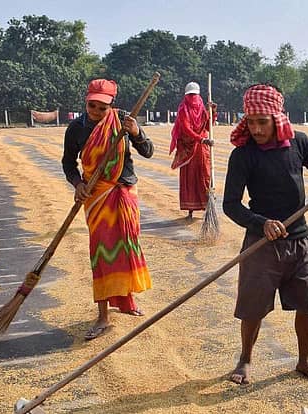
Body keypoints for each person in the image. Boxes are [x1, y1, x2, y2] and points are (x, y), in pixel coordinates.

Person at [222, 84, 308, 385]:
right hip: (262, 243)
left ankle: (304, 360)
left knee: (307, 303)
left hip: (299, 241)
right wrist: (261, 223)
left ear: (277, 118)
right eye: (250, 122)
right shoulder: (243, 155)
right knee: (253, 306)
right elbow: (230, 205)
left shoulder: (299, 143)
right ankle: (245, 359)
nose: (255, 129)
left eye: (262, 122)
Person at [61, 78, 155, 340]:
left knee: (126, 246)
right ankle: (102, 316)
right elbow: (68, 163)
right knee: (102, 253)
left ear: (111, 105)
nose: (96, 112)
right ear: (86, 101)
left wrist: (136, 132)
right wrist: (78, 183)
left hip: (124, 191)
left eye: (102, 108)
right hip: (96, 195)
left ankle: (127, 300)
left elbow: (148, 151)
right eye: (92, 105)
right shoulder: (76, 128)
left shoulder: (124, 120)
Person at [170, 81, 216, 218]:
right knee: (190, 178)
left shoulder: (203, 108)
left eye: (195, 95)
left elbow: (208, 126)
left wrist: (212, 111)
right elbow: (186, 129)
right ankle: (190, 209)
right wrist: (201, 139)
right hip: (189, 149)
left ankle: (208, 206)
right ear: (186, 96)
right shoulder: (183, 109)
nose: (193, 98)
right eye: (190, 95)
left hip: (202, 149)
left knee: (205, 176)